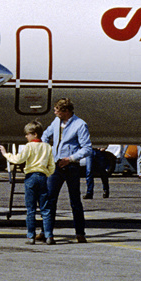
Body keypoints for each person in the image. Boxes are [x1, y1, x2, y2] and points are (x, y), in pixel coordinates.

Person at [42, 98, 91, 243]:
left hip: (71, 166)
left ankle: (80, 233)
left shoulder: (80, 125)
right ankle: (47, 233)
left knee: (75, 200)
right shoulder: (56, 122)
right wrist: (46, 149)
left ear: (66, 111)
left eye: (58, 110)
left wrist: (70, 158)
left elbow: (87, 148)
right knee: (50, 198)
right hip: (56, 165)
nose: (55, 112)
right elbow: (46, 134)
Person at [6, 122, 56, 244]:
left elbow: (18, 159)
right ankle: (49, 236)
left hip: (30, 177)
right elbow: (51, 166)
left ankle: (31, 236)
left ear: (34, 134)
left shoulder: (28, 146)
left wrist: (6, 154)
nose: (26, 137)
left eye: (27, 134)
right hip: (43, 177)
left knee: (31, 209)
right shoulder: (47, 147)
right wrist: (46, 173)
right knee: (45, 209)